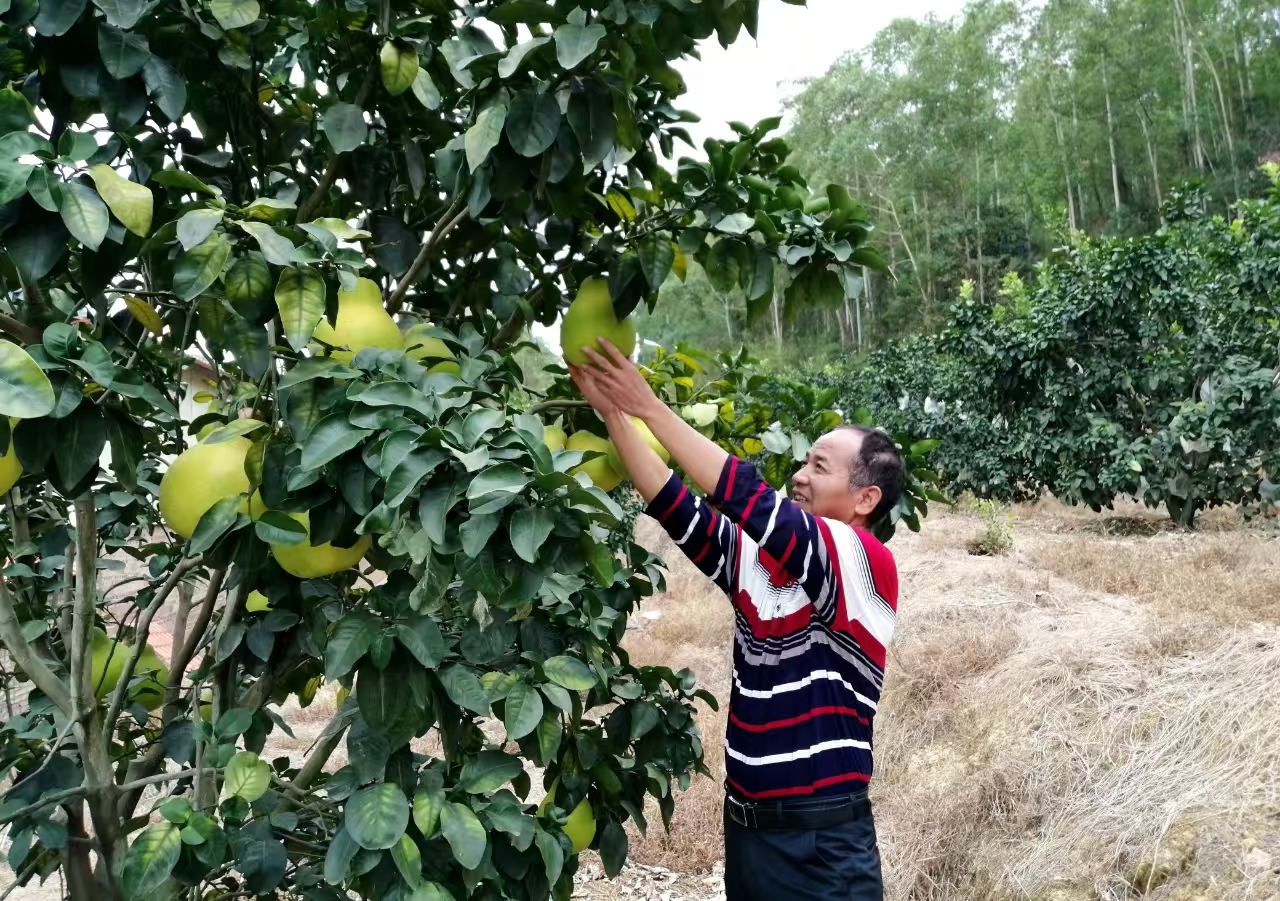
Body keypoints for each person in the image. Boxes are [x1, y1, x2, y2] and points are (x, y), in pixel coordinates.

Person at [570, 340, 903, 901]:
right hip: (750, 835)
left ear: (865, 497)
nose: (799, 476)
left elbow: (746, 497)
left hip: (821, 844)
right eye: (803, 462)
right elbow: (676, 504)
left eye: (818, 467)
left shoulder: (861, 560)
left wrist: (652, 407)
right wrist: (614, 413)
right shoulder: (762, 566)